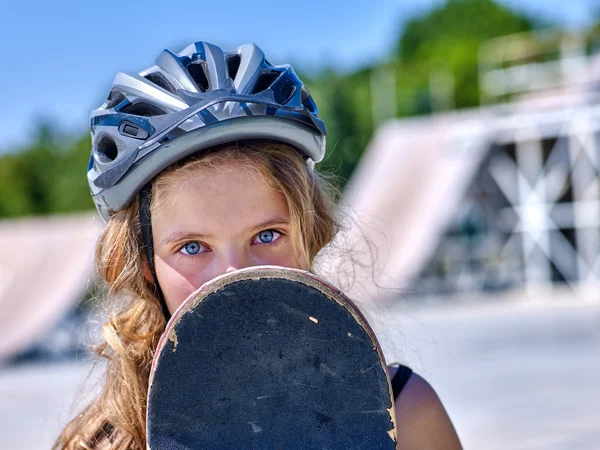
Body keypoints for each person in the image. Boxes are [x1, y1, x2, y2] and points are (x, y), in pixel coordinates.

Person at [55, 41, 462, 449]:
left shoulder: (408, 418)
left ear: (310, 236)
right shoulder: (98, 443)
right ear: (146, 265)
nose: (235, 275)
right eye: (193, 247)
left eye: (267, 235)